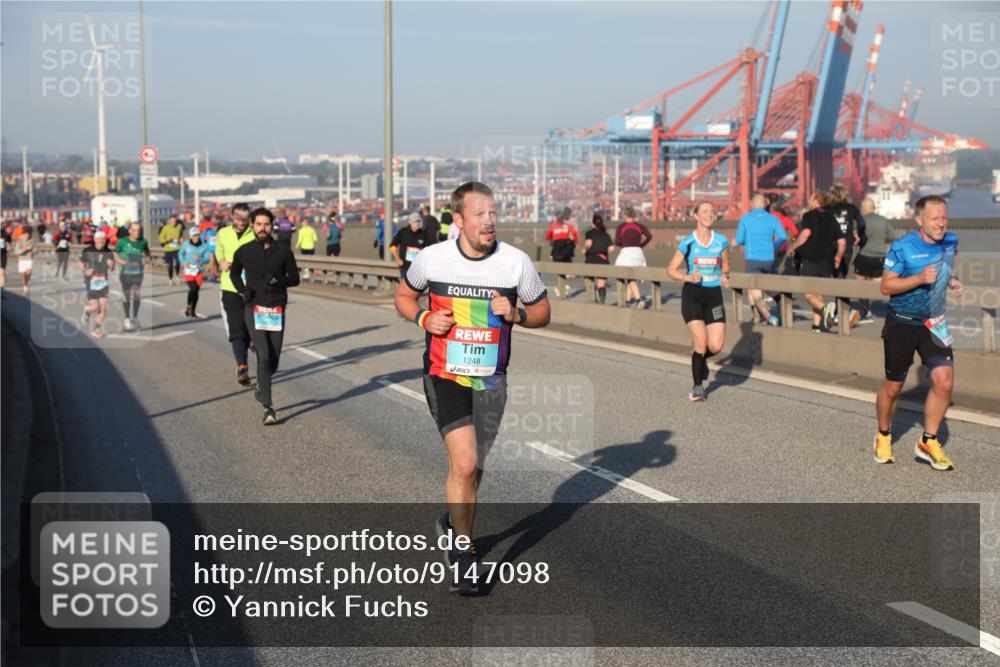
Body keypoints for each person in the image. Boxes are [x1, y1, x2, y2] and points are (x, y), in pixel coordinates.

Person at [394, 181, 550, 595]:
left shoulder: (515, 263)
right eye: (479, 215)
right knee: (464, 464)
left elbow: (543, 312)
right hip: (444, 375)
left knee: (475, 466)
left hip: (491, 381)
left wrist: (516, 313)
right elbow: (404, 297)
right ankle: (463, 554)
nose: (489, 222)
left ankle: (451, 521)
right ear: (459, 220)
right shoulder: (433, 259)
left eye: (493, 214)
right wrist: (425, 320)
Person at [874, 195, 962, 471]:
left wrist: (952, 281)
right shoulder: (902, 248)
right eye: (934, 218)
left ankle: (928, 441)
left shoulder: (951, 242)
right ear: (919, 219)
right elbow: (886, 287)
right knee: (893, 386)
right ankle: (884, 435)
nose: (941, 224)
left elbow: (944, 270)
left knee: (945, 381)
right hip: (901, 323)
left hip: (934, 322)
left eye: (944, 218)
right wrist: (918, 279)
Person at [230, 207, 300, 425]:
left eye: (267, 224)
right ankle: (268, 407)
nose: (263, 228)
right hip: (254, 308)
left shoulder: (283, 251)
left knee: (274, 359)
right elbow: (233, 272)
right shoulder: (244, 250)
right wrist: (243, 290)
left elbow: (295, 278)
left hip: (276, 309)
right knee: (264, 355)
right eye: (258, 224)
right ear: (252, 225)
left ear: (272, 226)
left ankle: (262, 385)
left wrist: (280, 280)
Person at [667, 201, 731, 402]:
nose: (709, 214)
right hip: (692, 295)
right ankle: (697, 387)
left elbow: (726, 262)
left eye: (712, 211)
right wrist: (688, 277)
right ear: (696, 216)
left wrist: (726, 274)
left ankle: (700, 360)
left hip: (714, 296)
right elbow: (670, 270)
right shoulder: (688, 242)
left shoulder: (721, 241)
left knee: (717, 345)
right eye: (704, 211)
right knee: (701, 343)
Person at [788, 191, 846, 332]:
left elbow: (806, 233)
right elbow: (842, 241)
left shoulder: (809, 215)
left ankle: (824, 308)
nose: (808, 201)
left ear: (816, 202)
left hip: (810, 260)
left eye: (810, 199)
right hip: (827, 262)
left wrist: (793, 247)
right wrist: (838, 256)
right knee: (818, 293)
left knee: (809, 294)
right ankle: (817, 326)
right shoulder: (831, 218)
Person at [216, 203, 256, 385]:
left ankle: (246, 351)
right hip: (230, 287)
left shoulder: (255, 233)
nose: (241, 223)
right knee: (236, 327)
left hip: (252, 288)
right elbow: (219, 255)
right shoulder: (222, 234)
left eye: (245, 220)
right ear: (232, 216)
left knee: (250, 327)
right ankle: (242, 366)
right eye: (238, 219)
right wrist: (222, 263)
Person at [734, 193, 786, 325]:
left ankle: (769, 317)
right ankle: (773, 312)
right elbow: (783, 237)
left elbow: (739, 240)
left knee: (755, 292)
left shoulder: (745, 219)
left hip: (752, 260)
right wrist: (773, 247)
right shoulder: (772, 219)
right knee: (770, 287)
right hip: (769, 259)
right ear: (765, 204)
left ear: (751, 204)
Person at [853, 197, 892, 323]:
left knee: (860, 285)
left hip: (864, 256)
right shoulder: (883, 221)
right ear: (873, 207)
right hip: (880, 257)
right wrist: (881, 240)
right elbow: (893, 236)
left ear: (864, 208)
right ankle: (895, 307)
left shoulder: (861, 220)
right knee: (880, 286)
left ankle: (865, 311)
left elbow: (856, 236)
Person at [114, 221, 151, 331]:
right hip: (125, 272)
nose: (137, 232)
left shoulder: (143, 242)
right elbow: (115, 253)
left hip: (138, 272)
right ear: (130, 231)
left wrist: (147, 262)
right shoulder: (122, 241)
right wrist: (123, 262)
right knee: (126, 295)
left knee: (137, 294)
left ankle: (135, 318)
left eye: (139, 230)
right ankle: (126, 319)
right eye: (134, 230)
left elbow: (148, 252)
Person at [78, 230, 115, 338]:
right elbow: (79, 262)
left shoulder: (108, 252)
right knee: (94, 306)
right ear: (94, 240)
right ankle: (87, 311)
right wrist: (85, 271)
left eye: (103, 239)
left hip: (103, 281)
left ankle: (97, 329)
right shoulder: (87, 250)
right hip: (91, 281)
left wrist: (111, 265)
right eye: (99, 239)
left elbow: (112, 269)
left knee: (103, 306)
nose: (101, 242)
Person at [614, 207, 652, 308]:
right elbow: (649, 236)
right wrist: (641, 245)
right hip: (638, 253)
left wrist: (624, 242)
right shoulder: (640, 226)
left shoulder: (621, 227)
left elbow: (617, 242)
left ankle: (639, 300)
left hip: (627, 252)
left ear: (625, 215)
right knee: (631, 277)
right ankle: (628, 301)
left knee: (630, 278)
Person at [826, 185, 864, 279]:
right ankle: (840, 293)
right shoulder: (852, 208)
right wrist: (859, 235)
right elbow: (862, 223)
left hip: (830, 247)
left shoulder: (826, 209)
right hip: (847, 246)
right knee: (842, 274)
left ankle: (836, 291)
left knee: (832, 274)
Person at [179, 227, 212, 318]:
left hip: (198, 270)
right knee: (192, 288)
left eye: (197, 235)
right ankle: (188, 306)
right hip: (189, 270)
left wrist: (200, 259)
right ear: (190, 236)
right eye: (194, 236)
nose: (196, 237)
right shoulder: (186, 244)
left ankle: (193, 310)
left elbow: (207, 258)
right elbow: (180, 254)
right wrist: (184, 263)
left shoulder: (204, 246)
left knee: (196, 291)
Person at [583, 213, 614, 303]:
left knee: (589, 281)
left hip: (591, 259)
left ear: (593, 223)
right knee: (601, 284)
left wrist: (585, 250)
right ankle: (602, 303)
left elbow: (588, 243)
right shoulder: (606, 234)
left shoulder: (589, 233)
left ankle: (593, 300)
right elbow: (611, 248)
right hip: (603, 259)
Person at [390, 212, 430, 279]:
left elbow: (428, 249)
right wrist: (397, 258)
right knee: (406, 287)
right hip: (405, 267)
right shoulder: (403, 232)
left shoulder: (423, 234)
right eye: (415, 221)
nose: (417, 223)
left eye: (418, 221)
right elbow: (393, 245)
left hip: (418, 268)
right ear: (410, 222)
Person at [159, 215, 184, 286]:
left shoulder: (179, 226)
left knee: (178, 262)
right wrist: (167, 239)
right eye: (172, 221)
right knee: (170, 265)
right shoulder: (165, 228)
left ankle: (177, 276)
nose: (174, 222)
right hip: (168, 249)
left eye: (175, 221)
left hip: (177, 248)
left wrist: (181, 238)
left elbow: (181, 234)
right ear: (169, 221)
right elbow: (161, 238)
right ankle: (170, 279)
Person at [295, 216, 319, 281]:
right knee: (310, 261)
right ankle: (309, 274)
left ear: (303, 223)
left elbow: (300, 239)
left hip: (304, 247)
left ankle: (306, 274)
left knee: (305, 261)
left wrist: (297, 245)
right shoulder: (312, 229)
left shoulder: (301, 230)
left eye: (302, 222)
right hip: (311, 247)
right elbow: (315, 239)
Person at [14, 226, 34, 295]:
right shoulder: (19, 240)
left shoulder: (32, 240)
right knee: (23, 275)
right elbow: (16, 251)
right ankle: (25, 288)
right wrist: (23, 249)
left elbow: (36, 249)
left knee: (29, 272)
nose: (26, 235)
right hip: (21, 259)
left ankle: (28, 280)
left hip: (29, 259)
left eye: (28, 234)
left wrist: (32, 251)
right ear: (23, 233)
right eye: (25, 233)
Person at [0, 224, 10, 294]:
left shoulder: (6, 235)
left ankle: (2, 290)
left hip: (2, 255)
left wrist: (7, 245)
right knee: (2, 273)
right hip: (3, 255)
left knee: (2, 273)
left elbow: (9, 245)